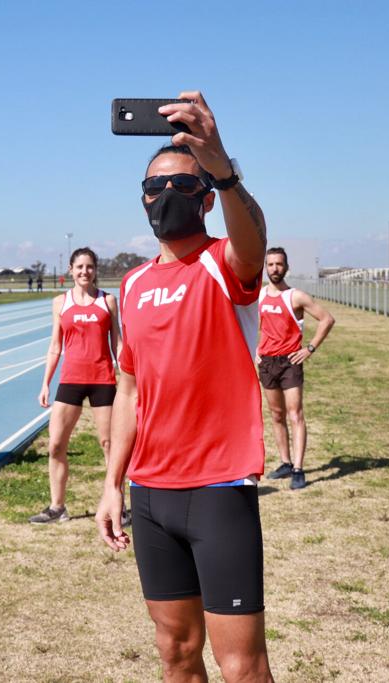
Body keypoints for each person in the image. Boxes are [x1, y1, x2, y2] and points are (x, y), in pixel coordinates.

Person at [95, 91, 274, 681]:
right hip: (150, 496)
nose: (165, 196)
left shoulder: (225, 263)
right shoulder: (134, 286)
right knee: (175, 653)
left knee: (241, 666)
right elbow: (129, 391)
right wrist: (111, 486)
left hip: (219, 489)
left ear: (204, 198)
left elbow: (254, 239)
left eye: (180, 185)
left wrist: (220, 165)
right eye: (154, 187)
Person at [32, 248, 121, 524]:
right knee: (57, 444)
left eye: (90, 267)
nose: (85, 272)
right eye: (80, 267)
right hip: (70, 380)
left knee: (109, 445)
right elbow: (55, 346)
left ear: (96, 270)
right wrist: (45, 383)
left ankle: (118, 504)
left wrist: (128, 377)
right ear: (70, 270)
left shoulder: (108, 301)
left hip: (103, 380)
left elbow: (117, 342)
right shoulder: (61, 303)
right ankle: (57, 507)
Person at [257, 247, 335, 490]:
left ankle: (299, 469)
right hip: (267, 363)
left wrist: (309, 348)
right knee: (277, 415)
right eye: (270, 265)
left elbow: (326, 319)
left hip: (290, 361)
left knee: (294, 414)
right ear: (266, 268)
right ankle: (285, 462)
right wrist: (255, 353)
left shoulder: (296, 296)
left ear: (286, 267)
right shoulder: (258, 296)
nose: (275, 269)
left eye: (279, 264)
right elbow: (247, 325)